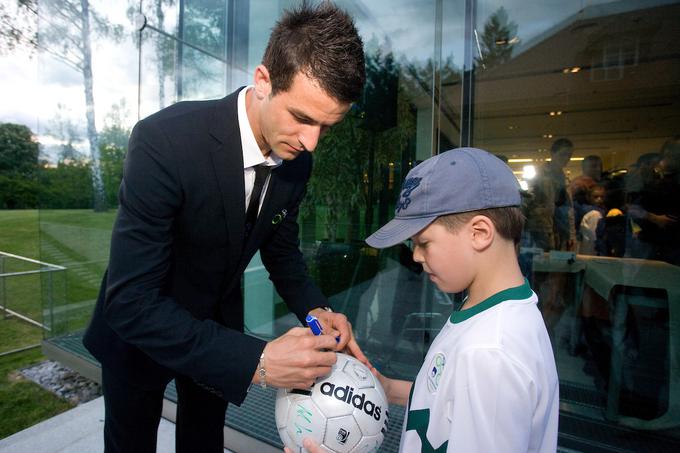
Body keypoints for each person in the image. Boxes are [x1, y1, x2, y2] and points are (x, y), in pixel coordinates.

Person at [82, 3, 366, 452]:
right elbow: (131, 302)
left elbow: (281, 248)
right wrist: (260, 360)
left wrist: (315, 309)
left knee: (203, 445)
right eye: (303, 118)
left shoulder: (296, 161)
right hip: (141, 333)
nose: (311, 142)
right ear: (263, 80)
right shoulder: (165, 141)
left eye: (326, 127)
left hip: (216, 325)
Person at [294, 148, 559, 452]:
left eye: (424, 242)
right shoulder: (486, 313)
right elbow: (452, 398)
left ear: (480, 232)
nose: (416, 256)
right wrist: (388, 389)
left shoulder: (489, 354)